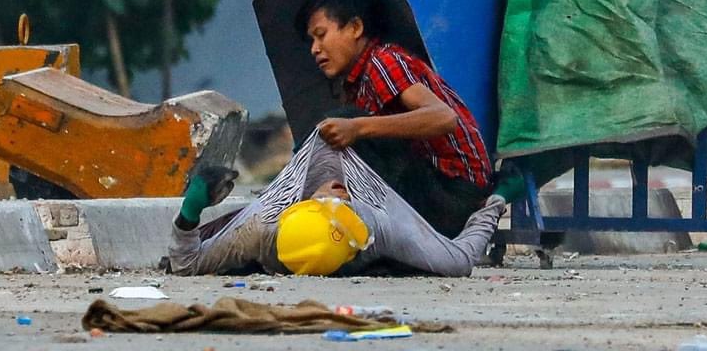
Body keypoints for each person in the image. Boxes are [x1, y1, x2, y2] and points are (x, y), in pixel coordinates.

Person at [295, 0, 494, 238]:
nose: (315, 49)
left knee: (346, 121)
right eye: (311, 40)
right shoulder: (356, 85)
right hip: (432, 189)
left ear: (355, 27)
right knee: (332, 134)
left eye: (321, 35)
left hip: (454, 193)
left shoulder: (383, 61)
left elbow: (444, 117)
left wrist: (357, 128)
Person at [168, 131, 505, 277]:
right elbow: (459, 260)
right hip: (358, 178)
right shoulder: (372, 226)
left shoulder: (262, 227)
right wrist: (496, 202)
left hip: (367, 160)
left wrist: (191, 212)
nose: (335, 194)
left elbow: (186, 264)